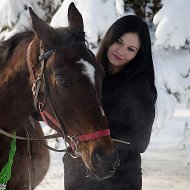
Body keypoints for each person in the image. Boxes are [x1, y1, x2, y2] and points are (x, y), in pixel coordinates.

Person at [63, 15, 157, 190]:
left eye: (131, 49)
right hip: (77, 174)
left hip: (118, 177)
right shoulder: (89, 73)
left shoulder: (139, 85)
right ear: (110, 37)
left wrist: (95, 135)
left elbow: (141, 141)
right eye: (119, 42)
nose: (121, 51)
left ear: (137, 54)